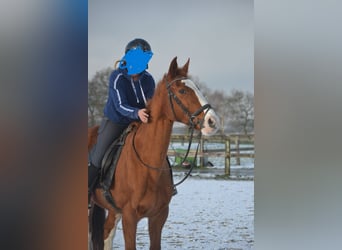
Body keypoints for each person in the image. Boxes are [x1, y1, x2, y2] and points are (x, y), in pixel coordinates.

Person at [88, 38, 176, 205]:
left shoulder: (148, 79)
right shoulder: (117, 77)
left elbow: (150, 102)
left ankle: (167, 185)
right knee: (98, 156)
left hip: (141, 119)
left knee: (158, 151)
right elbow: (120, 105)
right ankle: (86, 192)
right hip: (116, 120)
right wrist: (137, 112)